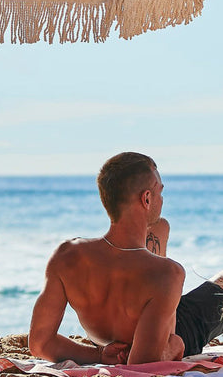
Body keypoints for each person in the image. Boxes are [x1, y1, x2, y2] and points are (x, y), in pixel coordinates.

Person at [29, 152, 223, 365]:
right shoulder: (170, 272)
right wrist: (175, 346)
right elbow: (142, 364)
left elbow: (40, 343)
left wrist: (100, 355)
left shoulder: (66, 255)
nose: (162, 199)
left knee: (159, 228)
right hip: (173, 329)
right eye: (159, 192)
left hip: (106, 341)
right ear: (146, 198)